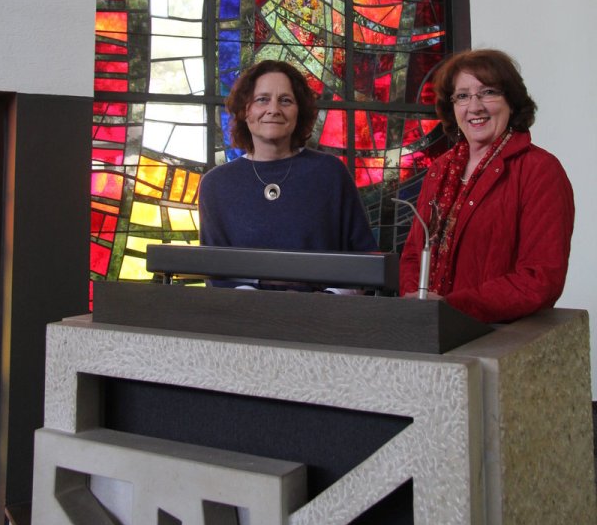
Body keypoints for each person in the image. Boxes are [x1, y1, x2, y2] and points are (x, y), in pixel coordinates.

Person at [399, 49, 574, 323]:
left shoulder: (540, 170)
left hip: (500, 337)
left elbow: (541, 278)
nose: (475, 106)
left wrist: (451, 307)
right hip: (431, 330)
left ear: (512, 102)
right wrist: (419, 306)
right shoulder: (439, 170)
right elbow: (412, 254)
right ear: (452, 106)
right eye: (463, 96)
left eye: (488, 92)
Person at [198, 60, 376, 289]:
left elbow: (364, 259)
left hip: (327, 317)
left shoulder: (330, 173)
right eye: (262, 99)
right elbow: (216, 273)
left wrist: (328, 303)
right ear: (245, 111)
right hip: (241, 317)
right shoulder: (217, 185)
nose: (274, 109)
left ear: (298, 111)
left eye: (285, 100)